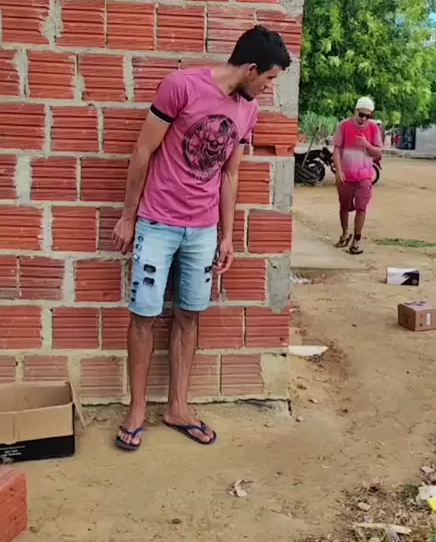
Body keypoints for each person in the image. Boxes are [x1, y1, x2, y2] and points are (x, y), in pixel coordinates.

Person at [112, 26, 291, 450]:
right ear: (251, 69)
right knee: (144, 316)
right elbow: (143, 151)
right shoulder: (181, 87)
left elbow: (230, 174)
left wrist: (227, 237)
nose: (268, 89)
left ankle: (178, 407)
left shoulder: (248, 110)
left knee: (190, 315)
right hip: (157, 223)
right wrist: (128, 216)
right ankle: (137, 410)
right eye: (268, 79)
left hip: (203, 231)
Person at [332, 96, 383, 255]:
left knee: (362, 206)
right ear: (355, 111)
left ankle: (356, 240)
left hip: (364, 176)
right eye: (361, 114)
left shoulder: (373, 128)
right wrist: (338, 170)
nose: (364, 119)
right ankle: (345, 234)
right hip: (346, 175)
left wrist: (366, 144)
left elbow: (378, 151)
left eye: (368, 116)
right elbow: (337, 149)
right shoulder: (344, 126)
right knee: (344, 206)